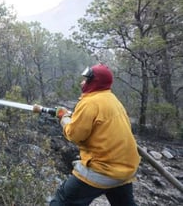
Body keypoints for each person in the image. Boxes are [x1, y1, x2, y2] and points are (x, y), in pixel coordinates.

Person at [50, 63, 140, 206]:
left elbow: (74, 135)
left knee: (62, 201)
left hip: (102, 169)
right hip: (126, 169)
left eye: (86, 80)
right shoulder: (112, 99)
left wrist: (64, 118)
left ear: (94, 82)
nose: (82, 82)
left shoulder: (89, 103)